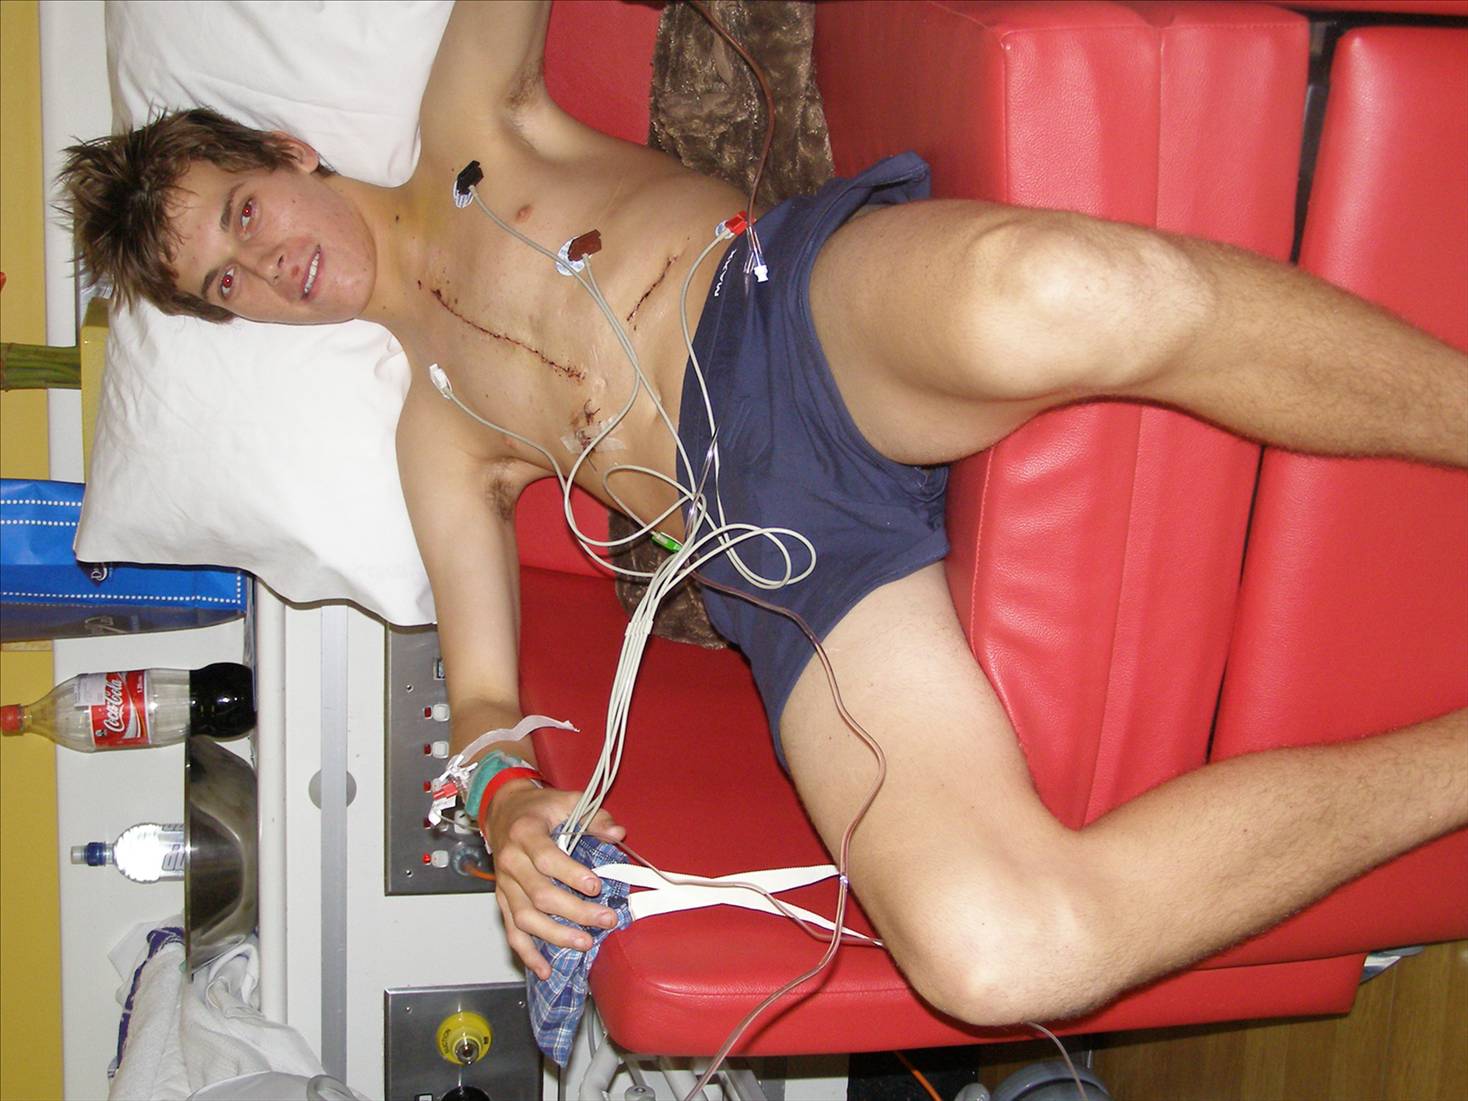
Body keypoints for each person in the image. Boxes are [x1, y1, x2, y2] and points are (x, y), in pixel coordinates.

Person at [61, 0, 1467, 1026]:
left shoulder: (468, 117)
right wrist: (505, 806)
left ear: (290, 153)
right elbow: (481, 696)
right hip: (773, 559)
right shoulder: (436, 436)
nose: (267, 265)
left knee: (1054, 290)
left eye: (242, 214)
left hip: (790, 319)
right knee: (992, 954)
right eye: (224, 286)